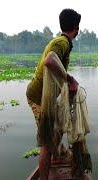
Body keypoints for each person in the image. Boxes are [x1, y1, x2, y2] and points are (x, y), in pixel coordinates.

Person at [26, 9, 81, 180]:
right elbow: (50, 59)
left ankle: (55, 158)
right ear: (76, 28)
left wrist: (67, 78)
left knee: (59, 129)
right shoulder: (62, 42)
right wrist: (68, 78)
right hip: (38, 98)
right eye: (78, 26)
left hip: (46, 97)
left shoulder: (60, 41)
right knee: (47, 143)